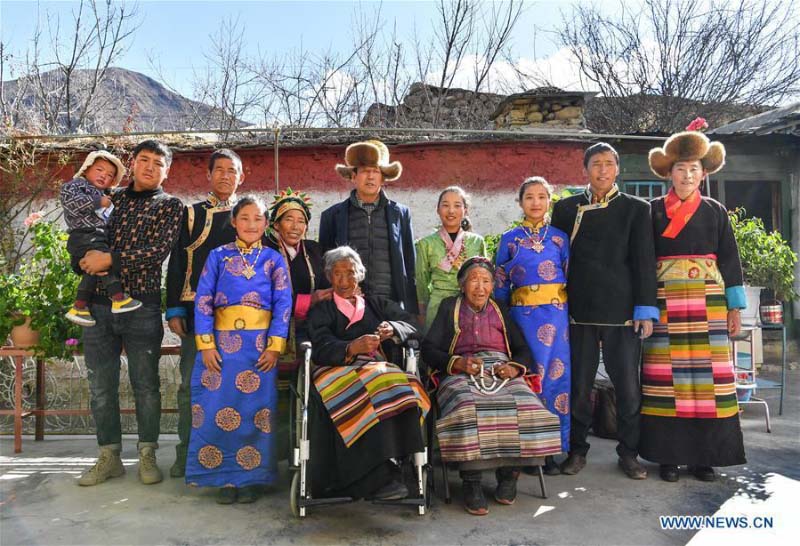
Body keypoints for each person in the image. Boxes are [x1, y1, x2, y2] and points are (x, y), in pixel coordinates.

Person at [640, 129, 746, 482]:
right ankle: (668, 458)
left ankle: (705, 458)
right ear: (669, 173)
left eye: (694, 169)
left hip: (709, 304)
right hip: (664, 304)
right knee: (665, 381)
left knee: (708, 380)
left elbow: (730, 260)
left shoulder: (715, 211)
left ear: (703, 173)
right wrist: (645, 309)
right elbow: (643, 262)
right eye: (681, 168)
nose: (687, 175)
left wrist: (734, 308)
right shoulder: (652, 211)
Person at [76, 140, 184, 487]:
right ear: (132, 163)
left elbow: (156, 252)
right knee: (100, 385)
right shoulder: (110, 198)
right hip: (97, 304)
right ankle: (109, 455)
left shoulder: (170, 206)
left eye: (158, 163)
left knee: (146, 385)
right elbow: (83, 230)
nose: (150, 167)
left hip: (143, 306)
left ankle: (147, 452)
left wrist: (108, 259)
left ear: (167, 171)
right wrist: (84, 259)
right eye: (144, 160)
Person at [551, 142, 658, 480]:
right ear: (585, 169)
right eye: (596, 163)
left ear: (617, 169)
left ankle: (629, 453)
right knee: (579, 387)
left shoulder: (636, 209)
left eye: (608, 163)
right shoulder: (566, 209)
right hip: (578, 310)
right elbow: (556, 260)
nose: (602, 170)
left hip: (622, 311)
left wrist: (645, 309)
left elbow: (644, 261)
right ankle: (576, 451)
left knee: (627, 387)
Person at [422, 257, 562, 516]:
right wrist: (457, 363)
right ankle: (472, 481)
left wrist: (514, 367)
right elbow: (429, 349)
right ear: (462, 285)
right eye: (474, 280)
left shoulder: (500, 309)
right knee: (468, 406)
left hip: (500, 369)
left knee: (527, 406)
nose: (480, 287)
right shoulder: (449, 306)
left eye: (486, 281)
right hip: (461, 370)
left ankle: (509, 475)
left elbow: (522, 349)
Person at [185, 195, 292, 504]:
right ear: (233, 221)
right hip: (221, 349)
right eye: (244, 218)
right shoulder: (217, 256)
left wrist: (275, 347)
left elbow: (283, 304)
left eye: (258, 218)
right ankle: (224, 480)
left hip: (259, 351)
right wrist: (206, 345)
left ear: (267, 223)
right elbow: (203, 301)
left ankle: (252, 480)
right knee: (217, 409)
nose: (251, 224)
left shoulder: (274, 259)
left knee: (256, 413)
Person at [306, 246, 430, 501]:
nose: (344, 280)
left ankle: (395, 464)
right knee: (367, 389)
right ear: (329, 277)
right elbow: (320, 346)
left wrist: (393, 328)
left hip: (375, 369)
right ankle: (371, 478)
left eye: (350, 273)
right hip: (335, 369)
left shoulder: (375, 303)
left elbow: (412, 325)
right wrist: (351, 347)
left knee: (405, 386)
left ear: (360, 274)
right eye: (337, 274)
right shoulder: (322, 309)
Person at [165, 148, 244, 479]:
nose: (226, 176)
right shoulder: (191, 214)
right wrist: (174, 309)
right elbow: (177, 262)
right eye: (219, 170)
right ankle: (186, 453)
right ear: (209, 175)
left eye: (232, 170)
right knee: (191, 385)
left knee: (233, 387)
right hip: (198, 316)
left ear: (241, 177)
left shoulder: (250, 215)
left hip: (240, 319)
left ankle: (228, 456)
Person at [494, 177, 571, 475]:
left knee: (556, 379)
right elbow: (500, 285)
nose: (536, 202)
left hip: (558, 319)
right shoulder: (509, 239)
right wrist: (502, 321)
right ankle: (527, 449)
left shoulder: (560, 239)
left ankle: (551, 450)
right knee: (527, 378)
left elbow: (571, 278)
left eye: (541, 196)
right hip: (522, 320)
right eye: (529, 197)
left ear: (549, 200)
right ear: (520, 202)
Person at [264, 188, 332, 457]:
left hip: (307, 331)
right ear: (276, 224)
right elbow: (265, 295)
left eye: (301, 220)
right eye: (288, 219)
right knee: (275, 391)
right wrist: (309, 299)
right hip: (273, 330)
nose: (295, 226)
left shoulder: (314, 251)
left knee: (306, 387)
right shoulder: (265, 251)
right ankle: (276, 451)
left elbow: (326, 286)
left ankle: (303, 447)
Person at [319, 139, 418, 313]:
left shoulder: (400, 214)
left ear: (383, 178)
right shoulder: (332, 216)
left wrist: (411, 309)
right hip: (348, 303)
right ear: (353, 176)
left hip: (390, 303)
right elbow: (326, 265)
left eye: (376, 171)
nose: (370, 176)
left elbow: (410, 264)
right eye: (365, 171)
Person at [61, 150, 141, 326]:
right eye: (99, 169)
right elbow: (72, 204)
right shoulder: (74, 186)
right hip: (84, 234)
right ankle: (118, 298)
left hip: (96, 235)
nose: (104, 175)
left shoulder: (105, 195)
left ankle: (79, 307)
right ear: (86, 169)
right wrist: (98, 202)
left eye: (110, 175)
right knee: (104, 262)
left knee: (94, 269)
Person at [415, 186, 487, 332]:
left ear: (465, 210)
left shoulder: (477, 242)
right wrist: (422, 311)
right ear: (437, 210)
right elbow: (421, 281)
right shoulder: (426, 244)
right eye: (445, 205)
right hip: (438, 307)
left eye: (457, 205)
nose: (451, 211)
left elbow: (486, 277)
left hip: (470, 305)